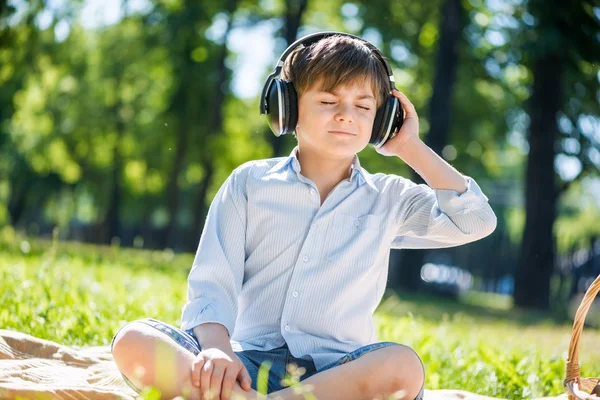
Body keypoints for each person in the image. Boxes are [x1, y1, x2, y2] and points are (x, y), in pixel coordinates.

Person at [111, 31, 497, 400]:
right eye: (328, 101)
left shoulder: (391, 198)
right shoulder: (250, 182)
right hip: (243, 363)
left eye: (364, 107)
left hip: (335, 378)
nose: (347, 115)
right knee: (134, 340)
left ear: (381, 119)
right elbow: (214, 282)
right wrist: (217, 350)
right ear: (287, 108)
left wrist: (410, 147)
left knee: (402, 366)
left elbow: (477, 220)